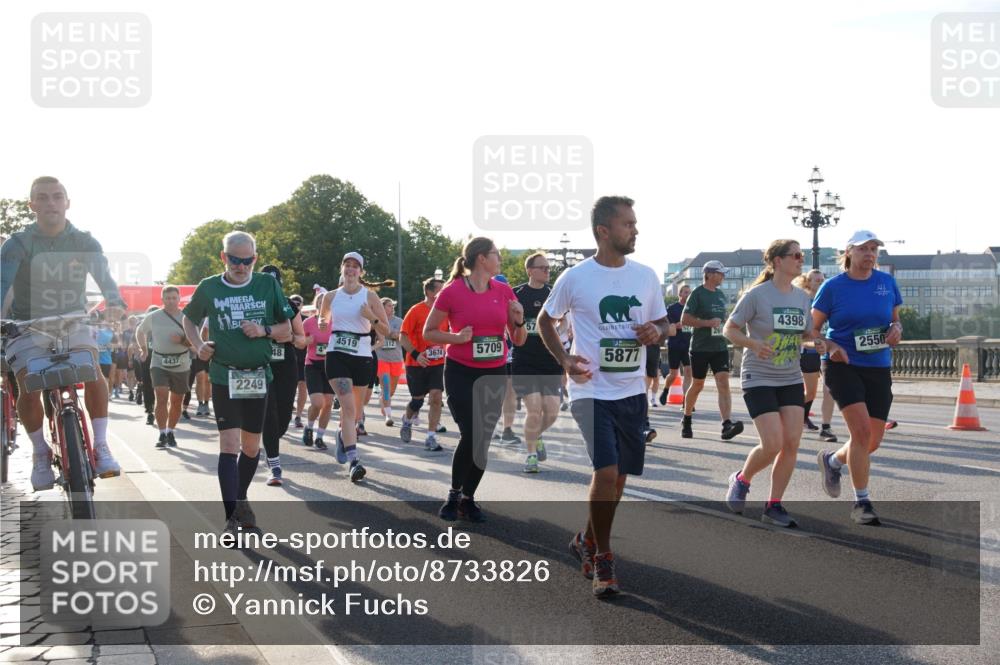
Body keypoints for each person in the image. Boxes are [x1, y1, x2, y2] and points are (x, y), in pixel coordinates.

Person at [538, 196, 670, 597]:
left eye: (635, 223)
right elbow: (545, 319)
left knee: (620, 476)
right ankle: (603, 559)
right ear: (603, 231)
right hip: (589, 388)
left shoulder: (645, 276)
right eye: (628, 224)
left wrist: (656, 332)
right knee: (607, 471)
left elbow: (663, 322)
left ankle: (587, 539)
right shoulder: (576, 278)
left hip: (631, 390)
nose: (635, 230)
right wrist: (564, 358)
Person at [0, 176, 124, 490]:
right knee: (27, 384)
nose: (51, 203)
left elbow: (105, 278)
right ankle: (40, 452)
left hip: (72, 321)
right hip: (27, 325)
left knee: (93, 370)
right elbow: (2, 282)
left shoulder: (85, 241)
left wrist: (115, 302)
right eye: (42, 197)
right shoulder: (17, 244)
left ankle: (101, 445)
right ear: (32, 205)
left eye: (57, 196)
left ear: (67, 203)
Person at [182, 231, 292, 537]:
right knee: (229, 445)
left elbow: (287, 330)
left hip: (257, 375)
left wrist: (263, 330)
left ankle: (240, 498)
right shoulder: (209, 287)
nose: (241, 266)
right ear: (223, 257)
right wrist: (198, 345)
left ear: (255, 259)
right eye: (234, 260)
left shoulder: (267, 284)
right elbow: (189, 319)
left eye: (247, 261)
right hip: (224, 375)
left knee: (251, 447)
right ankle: (231, 517)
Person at [426, 238, 526, 522]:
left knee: (482, 439)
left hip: (494, 372)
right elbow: (429, 332)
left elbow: (518, 340)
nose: (500, 259)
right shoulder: (452, 291)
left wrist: (519, 320)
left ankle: (468, 499)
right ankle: (454, 495)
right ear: (482, 258)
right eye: (497, 254)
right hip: (460, 371)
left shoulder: (503, 291)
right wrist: (457, 338)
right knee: (472, 433)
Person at [722, 240, 819, 527]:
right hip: (759, 377)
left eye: (802, 255)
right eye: (796, 255)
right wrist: (753, 343)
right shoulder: (757, 295)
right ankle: (742, 479)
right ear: (777, 261)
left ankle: (774, 505)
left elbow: (804, 334)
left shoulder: (802, 298)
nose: (801, 260)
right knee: (773, 443)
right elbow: (729, 329)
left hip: (790, 377)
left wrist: (818, 343)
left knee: (792, 442)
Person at [814, 230, 903, 526]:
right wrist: (830, 346)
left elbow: (895, 320)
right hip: (843, 365)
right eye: (864, 248)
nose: (870, 254)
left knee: (871, 442)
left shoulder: (887, 283)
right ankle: (862, 502)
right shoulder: (832, 287)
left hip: (878, 366)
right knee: (861, 434)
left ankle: (832, 461)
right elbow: (810, 330)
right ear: (849, 252)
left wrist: (896, 330)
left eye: (874, 249)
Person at [316, 253, 391, 483]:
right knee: (348, 408)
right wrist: (322, 323)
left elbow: (387, 331)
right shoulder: (330, 296)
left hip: (362, 357)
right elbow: (323, 319)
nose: (350, 269)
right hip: (337, 355)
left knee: (355, 413)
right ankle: (354, 461)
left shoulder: (370, 296)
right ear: (341, 268)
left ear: (361, 272)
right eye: (347, 265)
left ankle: (342, 434)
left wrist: (371, 317)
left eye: (355, 266)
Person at [512, 252, 564, 473]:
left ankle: (536, 435)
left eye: (548, 268)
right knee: (533, 409)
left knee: (552, 412)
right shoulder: (516, 294)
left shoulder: (553, 294)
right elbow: (509, 324)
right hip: (525, 360)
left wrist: (558, 334)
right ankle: (531, 455)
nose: (547, 271)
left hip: (549, 360)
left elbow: (564, 321)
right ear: (530, 270)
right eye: (542, 268)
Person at [681, 261, 744, 441]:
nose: (723, 276)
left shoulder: (721, 295)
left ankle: (726, 424)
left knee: (723, 383)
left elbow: (724, 319)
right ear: (709, 274)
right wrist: (707, 323)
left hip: (719, 347)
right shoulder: (697, 293)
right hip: (700, 347)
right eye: (720, 273)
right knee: (698, 385)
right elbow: (685, 319)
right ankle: (687, 419)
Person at [259, 265, 306, 486]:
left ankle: (269, 443)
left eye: (275, 284)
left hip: (286, 364)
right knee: (269, 413)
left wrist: (290, 338)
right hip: (261, 365)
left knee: (284, 416)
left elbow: (302, 340)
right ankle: (274, 464)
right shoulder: (253, 302)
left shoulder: (288, 305)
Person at [138, 286, 193, 448]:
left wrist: (181, 340)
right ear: (162, 300)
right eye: (167, 298)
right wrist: (143, 349)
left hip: (181, 362)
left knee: (176, 401)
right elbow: (140, 331)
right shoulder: (153, 316)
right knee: (161, 397)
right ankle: (162, 433)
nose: (171, 301)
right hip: (159, 362)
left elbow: (195, 342)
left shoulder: (187, 317)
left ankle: (170, 431)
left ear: (179, 299)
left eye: (174, 298)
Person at [399, 277, 447, 451]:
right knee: (417, 401)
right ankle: (407, 420)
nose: (443, 293)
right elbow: (402, 336)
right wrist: (416, 355)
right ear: (429, 291)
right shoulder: (416, 310)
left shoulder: (446, 312)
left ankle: (431, 436)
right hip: (416, 364)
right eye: (440, 290)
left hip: (437, 363)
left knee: (436, 397)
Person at [794, 269, 838, 443]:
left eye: (822, 280)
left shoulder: (828, 299)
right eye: (816, 280)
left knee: (829, 388)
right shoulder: (803, 300)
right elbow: (801, 333)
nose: (820, 282)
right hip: (810, 351)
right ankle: (793, 415)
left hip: (827, 349)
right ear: (807, 282)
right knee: (811, 392)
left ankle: (823, 426)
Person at [300, 302, 335, 451]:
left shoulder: (337, 322)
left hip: (331, 365)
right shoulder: (308, 323)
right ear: (318, 305)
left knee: (328, 403)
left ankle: (320, 437)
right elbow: (298, 343)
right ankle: (309, 427)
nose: (325, 306)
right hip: (313, 365)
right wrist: (306, 341)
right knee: (317, 402)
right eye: (322, 303)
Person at [659, 284, 693, 405]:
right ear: (680, 294)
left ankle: (686, 401)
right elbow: (668, 326)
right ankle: (666, 390)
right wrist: (679, 324)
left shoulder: (692, 309)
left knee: (688, 372)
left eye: (689, 293)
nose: (688, 295)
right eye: (686, 292)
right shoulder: (672, 308)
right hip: (675, 345)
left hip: (688, 345)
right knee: (673, 374)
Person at [376, 297, 405, 426]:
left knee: (391, 390)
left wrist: (396, 335)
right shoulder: (376, 321)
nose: (392, 308)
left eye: (393, 306)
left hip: (396, 359)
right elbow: (374, 336)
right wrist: (388, 334)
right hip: (381, 358)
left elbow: (403, 336)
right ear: (382, 307)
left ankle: (383, 399)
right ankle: (388, 416)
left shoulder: (399, 321)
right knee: (386, 385)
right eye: (389, 306)